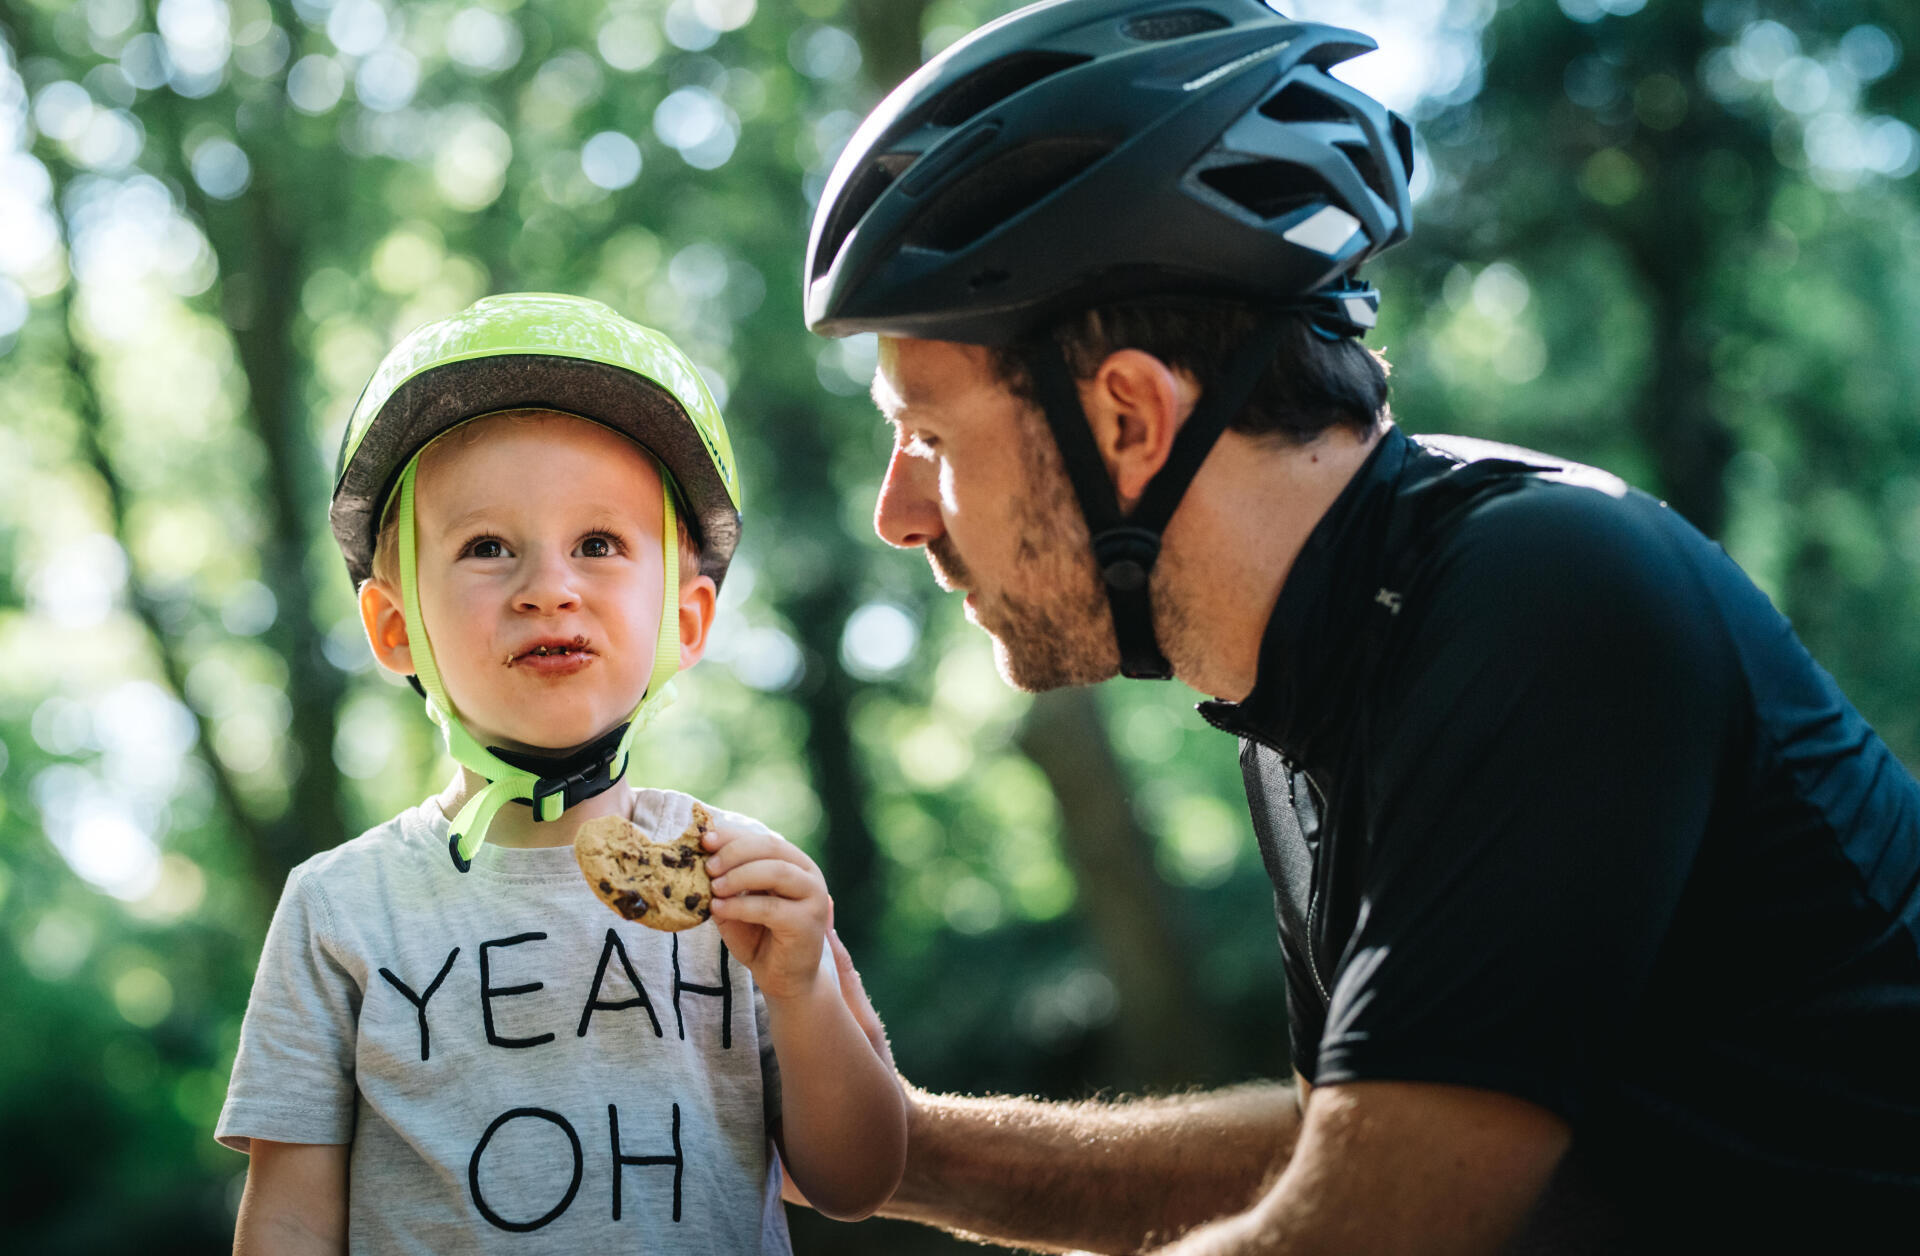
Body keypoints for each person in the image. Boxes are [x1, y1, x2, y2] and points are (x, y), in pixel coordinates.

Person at [801, 1, 1920, 1250]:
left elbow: (1361, 1232)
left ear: (1126, 419)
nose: (898, 513)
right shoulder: (1317, 686)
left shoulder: (1544, 595)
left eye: (929, 436)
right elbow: (1343, 1144)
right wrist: (872, 1138)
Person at [216, 293, 906, 1253]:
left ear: (688, 620)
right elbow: (289, 1216)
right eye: (487, 548)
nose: (550, 587)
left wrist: (802, 991)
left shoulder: (740, 885)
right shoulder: (339, 909)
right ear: (394, 627)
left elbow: (859, 1180)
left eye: (599, 544)